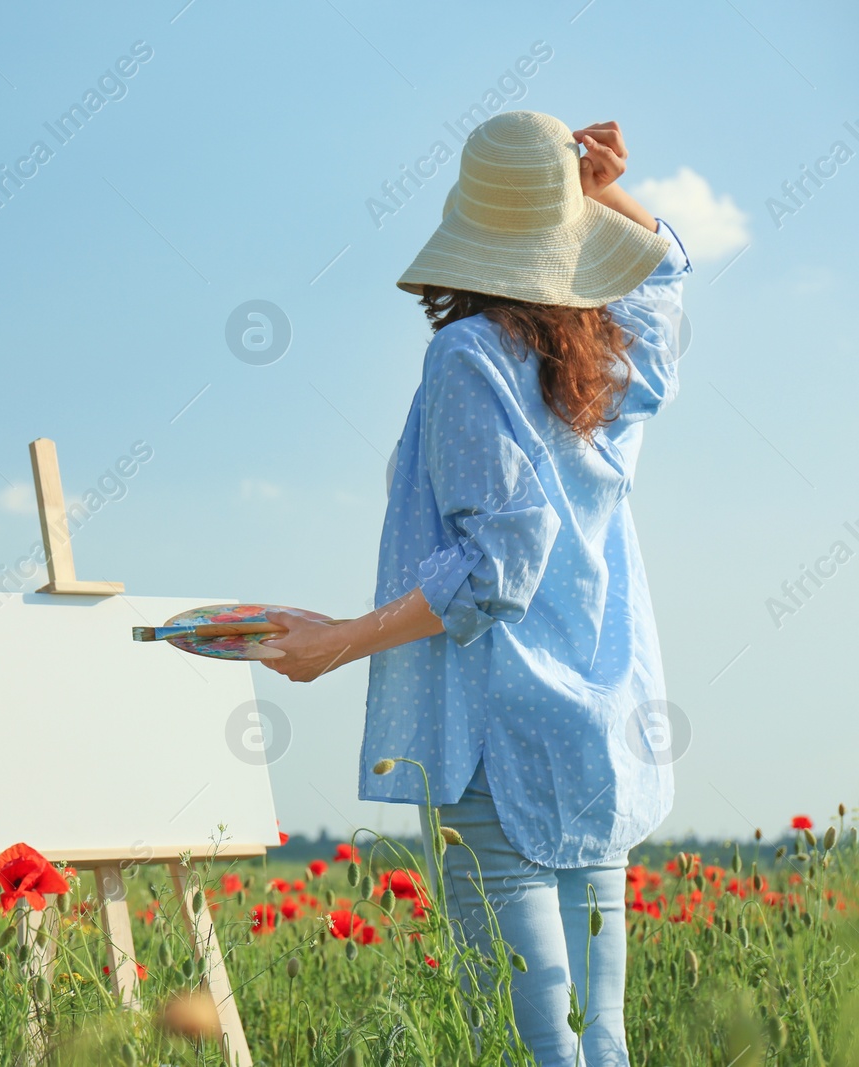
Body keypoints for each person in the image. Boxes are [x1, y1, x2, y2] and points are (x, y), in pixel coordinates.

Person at [258, 110, 692, 1066]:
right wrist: (604, 192)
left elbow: (498, 567)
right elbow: (664, 275)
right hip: (598, 734)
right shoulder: (614, 356)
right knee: (599, 1042)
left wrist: (336, 642)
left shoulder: (468, 358)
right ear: (570, 234)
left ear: (470, 225)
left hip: (499, 741)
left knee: (534, 1047)